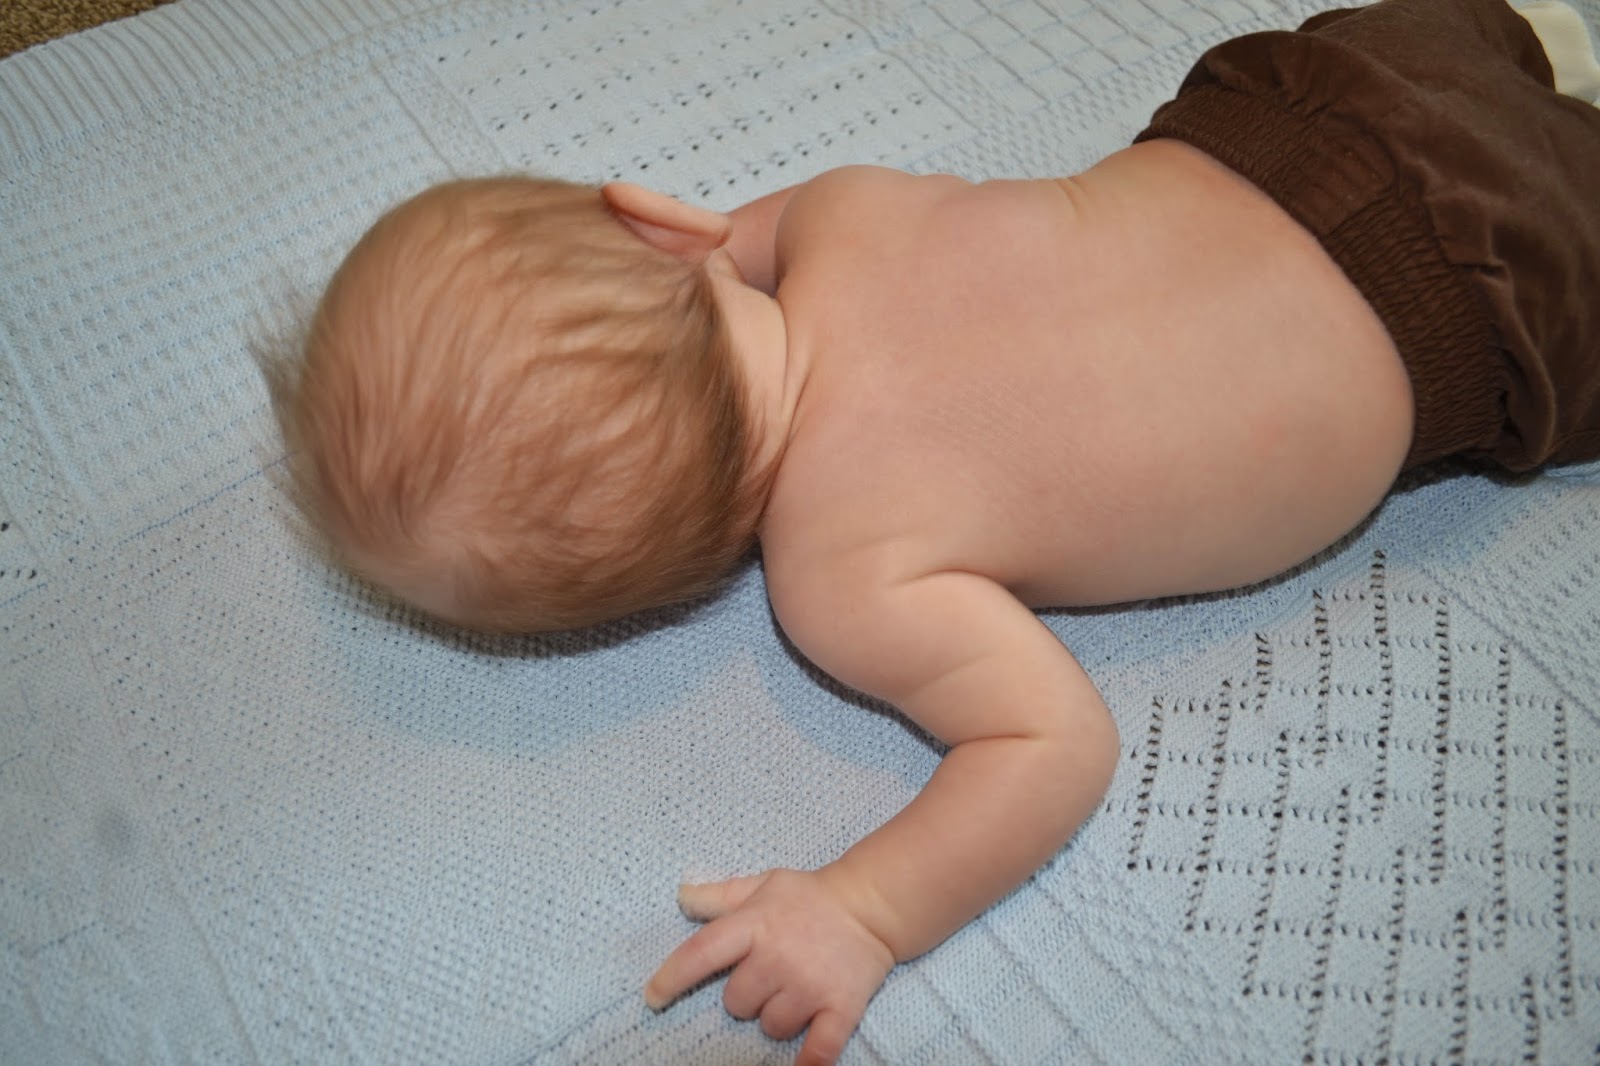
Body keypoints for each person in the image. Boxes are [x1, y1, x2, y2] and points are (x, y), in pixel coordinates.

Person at [265, 1, 1600, 1061]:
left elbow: (1052, 744)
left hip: (1479, 315)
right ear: (662, 222)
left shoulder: (845, 571)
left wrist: (865, 908)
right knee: (1461, 40)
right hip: (1320, 107)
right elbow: (735, 248)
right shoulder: (844, 213)